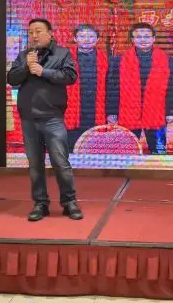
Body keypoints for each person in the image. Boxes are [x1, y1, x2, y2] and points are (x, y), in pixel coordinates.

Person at [7, 18, 82, 221]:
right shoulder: (24, 56)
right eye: (31, 32)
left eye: (38, 31)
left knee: (60, 162)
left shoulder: (62, 54)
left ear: (50, 33)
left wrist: (43, 71)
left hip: (52, 118)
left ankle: (69, 202)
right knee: (35, 165)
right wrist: (26, 67)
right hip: (29, 119)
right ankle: (40, 203)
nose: (34, 35)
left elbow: (70, 76)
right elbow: (11, 79)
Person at [107, 23, 173, 154]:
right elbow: (113, 88)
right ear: (132, 39)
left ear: (154, 38)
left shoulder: (167, 60)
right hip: (128, 111)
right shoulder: (118, 61)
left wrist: (171, 112)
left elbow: (171, 88)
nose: (143, 40)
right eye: (138, 37)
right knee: (128, 151)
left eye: (147, 36)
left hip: (156, 112)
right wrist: (112, 111)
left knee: (159, 152)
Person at [64, 24, 108, 152]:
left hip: (96, 108)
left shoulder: (106, 59)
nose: (87, 40)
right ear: (75, 38)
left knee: (93, 148)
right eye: (82, 36)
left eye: (91, 36)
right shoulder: (64, 58)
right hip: (71, 108)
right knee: (70, 147)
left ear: (97, 39)